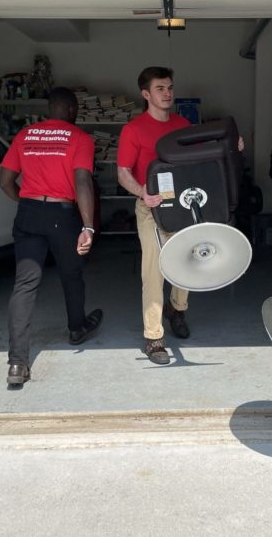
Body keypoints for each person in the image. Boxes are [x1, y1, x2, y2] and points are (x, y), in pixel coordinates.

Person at [0, 87, 103, 385]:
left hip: (29, 213)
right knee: (71, 273)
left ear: (49, 109)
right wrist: (88, 227)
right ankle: (76, 328)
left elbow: (4, 181)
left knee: (25, 283)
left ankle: (18, 364)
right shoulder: (80, 138)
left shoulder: (26, 135)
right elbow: (82, 181)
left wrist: (26, 202)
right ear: (72, 110)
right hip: (62, 214)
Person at [116, 67, 192, 365]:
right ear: (146, 94)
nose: (167, 93)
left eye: (170, 87)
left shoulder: (183, 124)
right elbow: (122, 173)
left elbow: (200, 158)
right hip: (150, 207)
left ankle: (177, 309)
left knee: (185, 264)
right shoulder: (133, 130)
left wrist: (233, 146)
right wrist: (142, 194)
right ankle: (154, 336)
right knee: (153, 270)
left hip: (181, 205)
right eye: (160, 88)